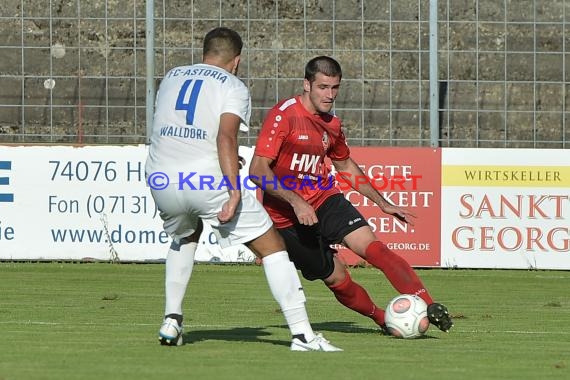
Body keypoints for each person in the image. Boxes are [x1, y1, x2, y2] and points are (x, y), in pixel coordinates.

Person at [145, 28, 341, 351]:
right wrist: (233, 190)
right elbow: (225, 137)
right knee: (273, 247)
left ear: (205, 52)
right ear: (236, 61)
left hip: (161, 177)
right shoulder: (232, 85)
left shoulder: (172, 76)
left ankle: (172, 319)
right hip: (208, 180)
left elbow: (178, 131)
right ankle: (303, 335)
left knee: (186, 235)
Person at [249, 55, 453, 334]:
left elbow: (344, 164)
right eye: (323, 87)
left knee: (374, 248)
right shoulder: (284, 115)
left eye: (335, 88)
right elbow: (257, 170)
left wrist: (383, 203)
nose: (329, 95)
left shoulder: (331, 124)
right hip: (286, 218)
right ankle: (382, 319)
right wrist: (296, 202)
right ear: (306, 85)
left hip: (324, 198)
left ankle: (430, 305)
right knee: (337, 278)